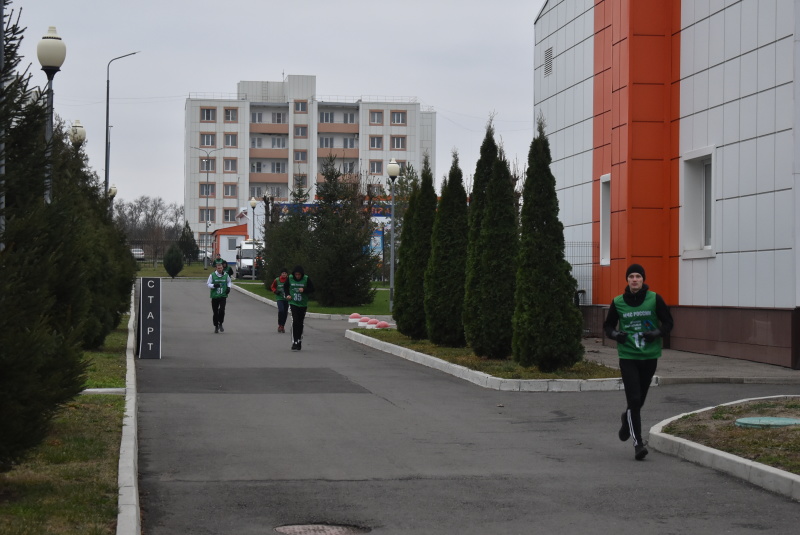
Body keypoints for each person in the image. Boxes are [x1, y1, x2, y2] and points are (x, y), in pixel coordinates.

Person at [603, 263, 674, 461]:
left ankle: (627, 419)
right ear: (627, 280)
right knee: (634, 399)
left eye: (638, 276)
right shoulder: (618, 302)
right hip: (628, 356)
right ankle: (638, 444)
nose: (634, 280)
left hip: (649, 356)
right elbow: (608, 325)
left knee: (639, 400)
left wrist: (657, 333)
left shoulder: (654, 299)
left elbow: (669, 322)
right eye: (631, 276)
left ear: (643, 279)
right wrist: (617, 334)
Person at [284, 265, 314, 350]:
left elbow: (312, 289)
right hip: (293, 303)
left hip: (303, 304)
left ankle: (299, 340)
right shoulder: (290, 278)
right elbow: (285, 287)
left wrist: (304, 290)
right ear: (294, 274)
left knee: (300, 323)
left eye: (299, 275)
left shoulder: (306, 278)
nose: (297, 276)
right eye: (296, 274)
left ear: (302, 274)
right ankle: (294, 341)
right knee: (295, 321)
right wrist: (287, 295)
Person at [207, 261, 232, 333]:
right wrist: (214, 285)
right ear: (216, 268)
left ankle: (220, 323)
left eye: (221, 268)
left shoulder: (226, 275)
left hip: (223, 296)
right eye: (218, 268)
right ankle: (216, 326)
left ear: (222, 268)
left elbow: (229, 282)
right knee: (215, 312)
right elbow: (208, 284)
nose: (220, 269)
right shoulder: (212, 275)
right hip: (215, 296)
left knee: (221, 310)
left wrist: (228, 288)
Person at [269, 268, 290, 333]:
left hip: (287, 298)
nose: (284, 274)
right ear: (281, 274)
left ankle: (282, 326)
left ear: (287, 274)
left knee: (285, 312)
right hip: (279, 298)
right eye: (283, 273)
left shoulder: (289, 280)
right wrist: (275, 291)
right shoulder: (277, 280)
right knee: (281, 310)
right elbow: (272, 286)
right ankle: (279, 324)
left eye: (285, 273)